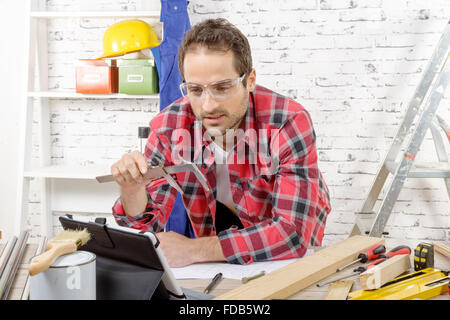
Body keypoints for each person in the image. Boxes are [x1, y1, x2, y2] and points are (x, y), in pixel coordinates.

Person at [111, 18, 331, 267]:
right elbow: (146, 226)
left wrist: (194, 250)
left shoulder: (287, 121)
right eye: (195, 90)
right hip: (219, 250)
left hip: (284, 257)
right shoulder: (168, 127)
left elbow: (292, 234)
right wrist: (132, 190)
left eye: (222, 87)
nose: (208, 106)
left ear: (250, 80)